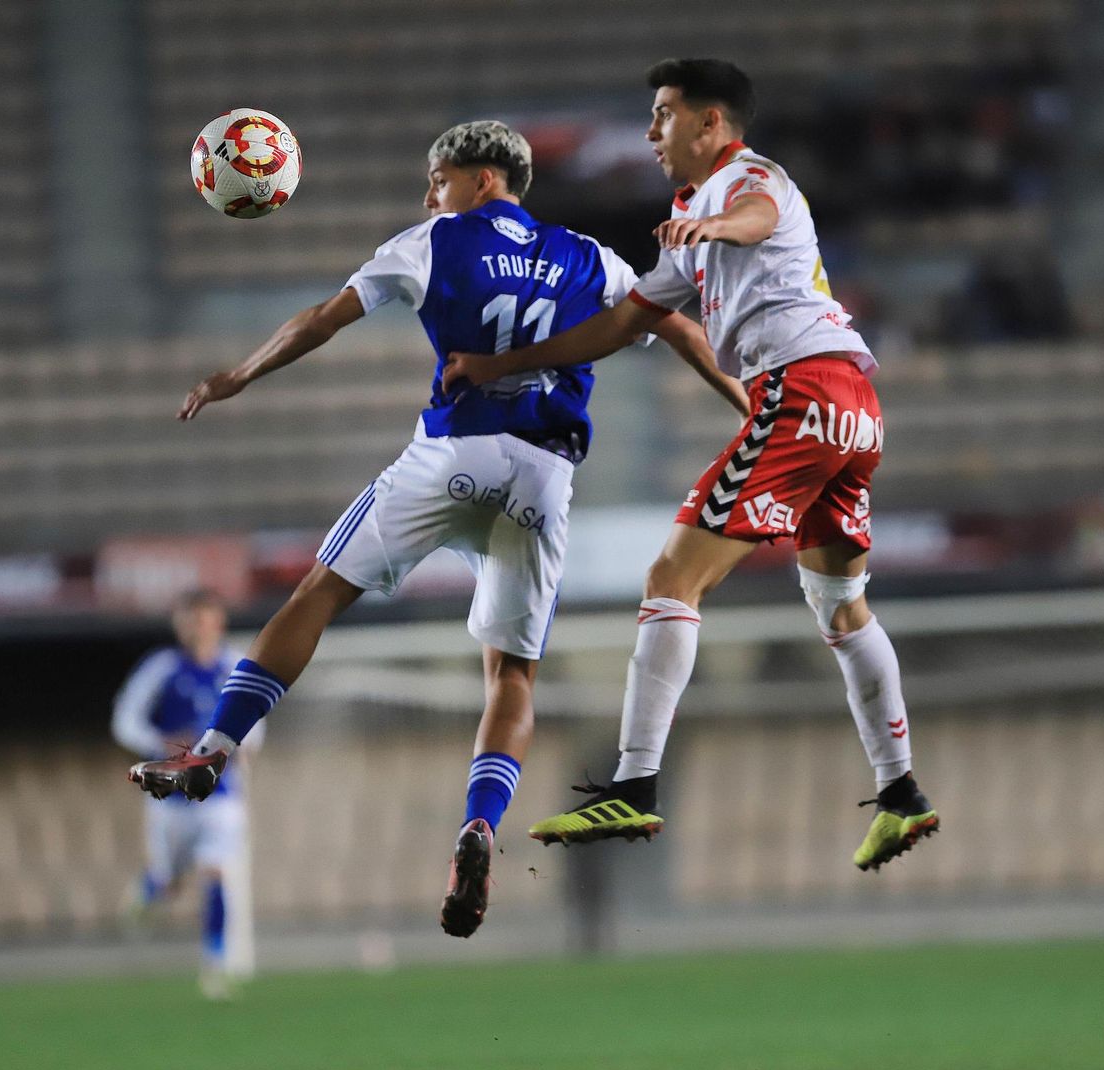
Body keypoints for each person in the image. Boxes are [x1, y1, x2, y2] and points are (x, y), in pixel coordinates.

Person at [127, 120, 746, 938]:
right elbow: (676, 326)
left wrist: (238, 373)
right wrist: (748, 404)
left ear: (484, 178)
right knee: (511, 678)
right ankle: (480, 823)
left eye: (438, 176)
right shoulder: (591, 257)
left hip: (450, 454)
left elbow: (323, 316)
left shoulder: (434, 239)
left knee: (319, 591)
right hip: (542, 476)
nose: (429, 194)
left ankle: (210, 749)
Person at [443, 60, 938, 871]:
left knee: (673, 579)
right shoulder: (686, 220)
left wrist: (716, 229)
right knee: (841, 607)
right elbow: (622, 323)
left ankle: (634, 786)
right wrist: (504, 364)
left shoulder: (748, 179)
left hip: (803, 387)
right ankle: (902, 793)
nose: (650, 131)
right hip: (851, 408)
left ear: (711, 123)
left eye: (665, 113)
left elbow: (756, 214)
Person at [113, 590, 258, 998]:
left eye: (206, 618)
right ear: (181, 624)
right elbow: (125, 719)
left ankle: (215, 966)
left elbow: (256, 715)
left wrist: (243, 748)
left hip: (221, 794)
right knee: (171, 880)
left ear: (219, 622)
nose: (199, 626)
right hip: (169, 797)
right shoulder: (161, 668)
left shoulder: (234, 666)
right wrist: (158, 741)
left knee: (215, 872)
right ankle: (151, 888)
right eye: (191, 618)